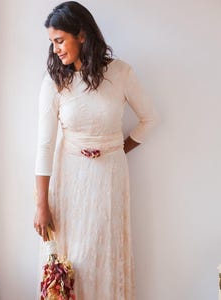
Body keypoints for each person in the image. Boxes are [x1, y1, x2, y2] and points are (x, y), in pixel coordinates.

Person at [34, 1, 159, 299]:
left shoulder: (122, 73)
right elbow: (44, 145)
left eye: (60, 40)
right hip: (69, 180)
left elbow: (149, 120)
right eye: (52, 43)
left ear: (82, 35)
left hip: (110, 178)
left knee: (104, 253)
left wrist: (116, 149)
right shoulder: (55, 81)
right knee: (71, 260)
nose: (55, 50)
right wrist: (41, 204)